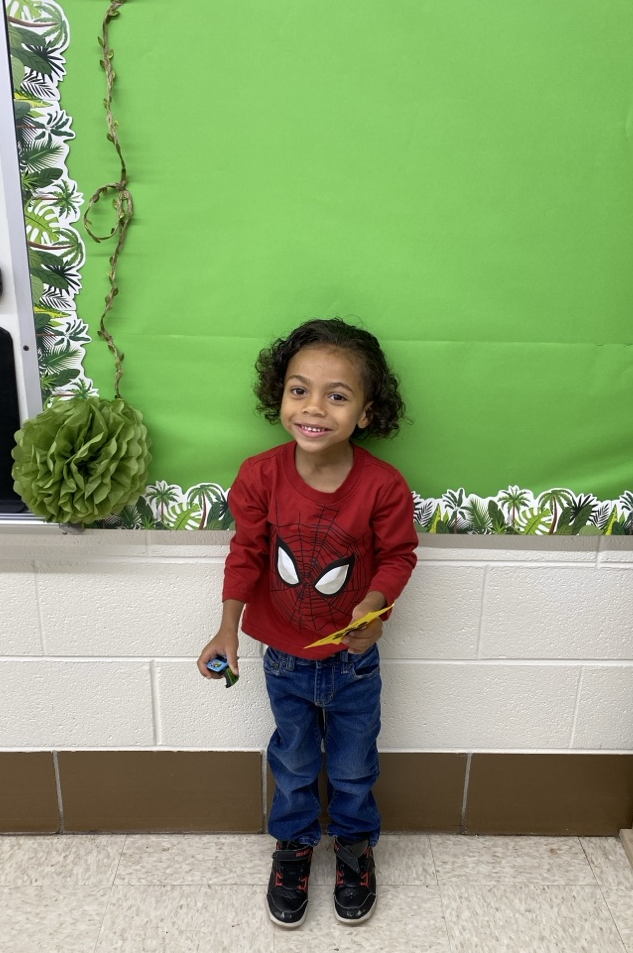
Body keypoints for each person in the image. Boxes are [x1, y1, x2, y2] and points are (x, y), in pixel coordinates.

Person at [197, 317, 417, 929]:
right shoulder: (260, 475)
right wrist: (227, 628)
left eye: (336, 396)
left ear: (366, 413)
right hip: (283, 660)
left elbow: (399, 556)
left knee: (353, 765)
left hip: (354, 661)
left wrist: (375, 605)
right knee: (293, 761)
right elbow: (245, 553)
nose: (314, 407)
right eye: (299, 390)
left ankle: (354, 846)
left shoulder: (383, 486)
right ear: (280, 395)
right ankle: (293, 847)